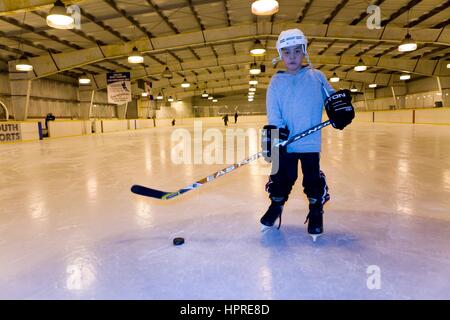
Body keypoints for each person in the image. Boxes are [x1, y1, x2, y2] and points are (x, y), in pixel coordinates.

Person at [260, 28, 354, 241]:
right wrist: (277, 130)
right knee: (282, 178)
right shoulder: (276, 82)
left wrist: (342, 106)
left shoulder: (316, 77)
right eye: (286, 52)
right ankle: (276, 205)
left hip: (310, 143)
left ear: (304, 51)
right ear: (280, 55)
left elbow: (332, 99)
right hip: (286, 143)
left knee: (312, 179)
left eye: (296, 51)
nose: (292, 57)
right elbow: (273, 111)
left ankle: (315, 210)